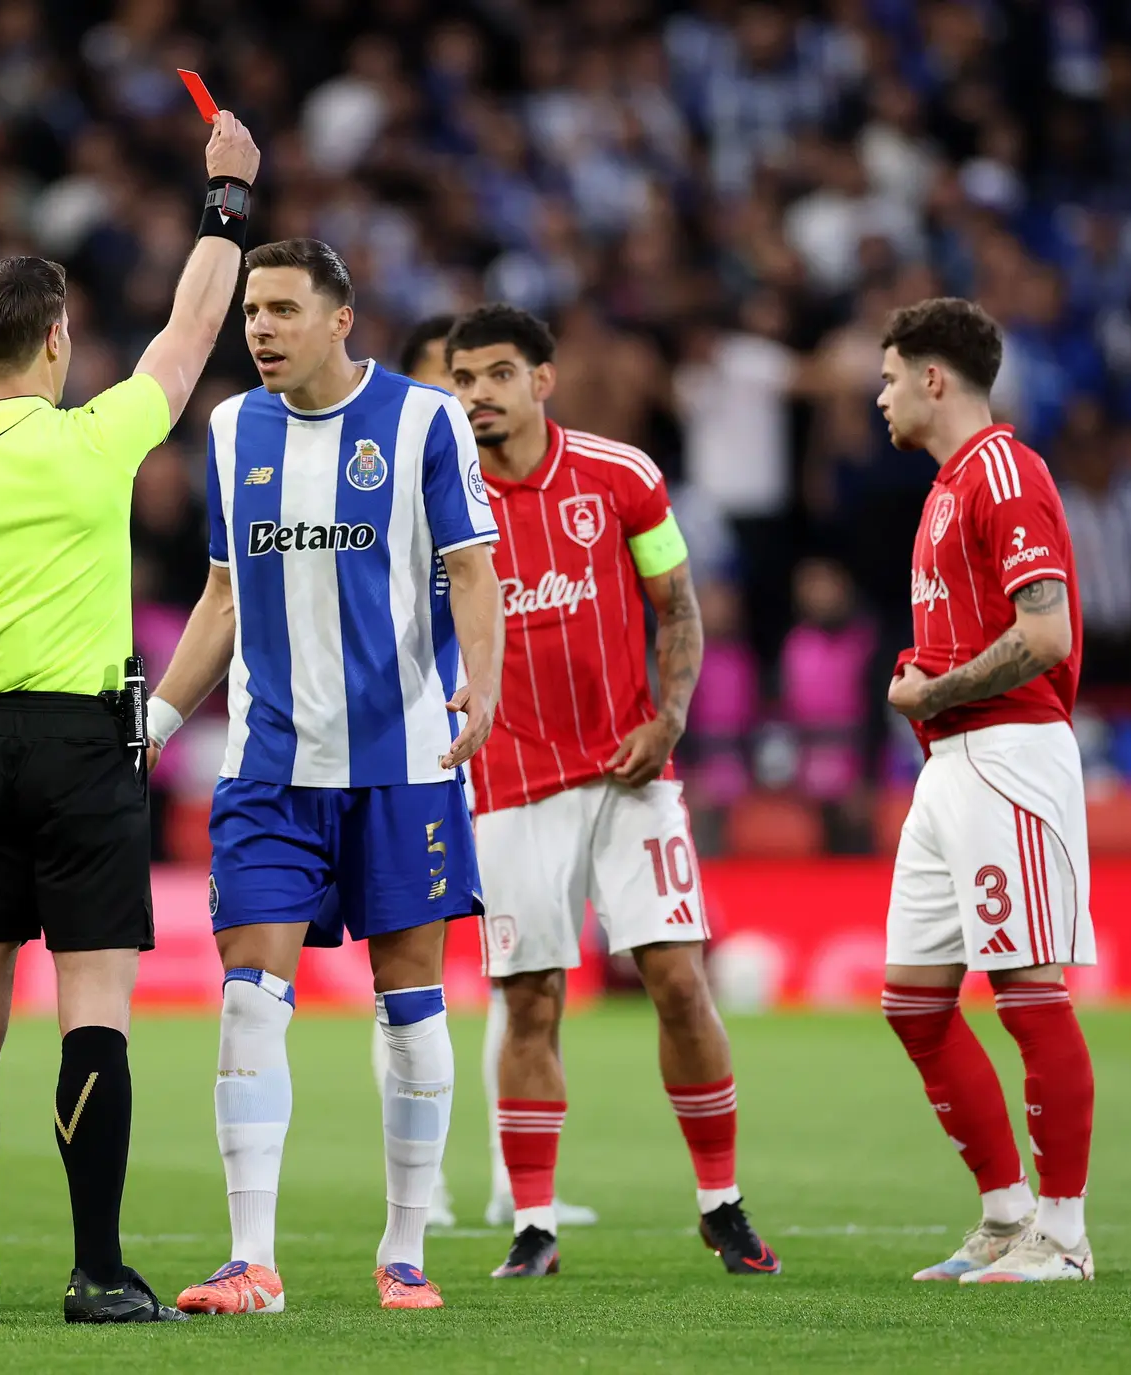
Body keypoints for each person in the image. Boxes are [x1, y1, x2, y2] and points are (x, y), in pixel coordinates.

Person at [0, 110, 263, 1326]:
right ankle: (95, 1270)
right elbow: (191, 333)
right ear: (56, 340)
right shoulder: (97, 441)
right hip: (87, 746)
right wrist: (225, 200)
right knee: (95, 1008)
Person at [149, 239, 504, 1315]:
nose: (259, 328)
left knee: (412, 1008)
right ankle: (250, 1258)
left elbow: (472, 570)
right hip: (269, 766)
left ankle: (404, 1251)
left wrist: (479, 687)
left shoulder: (425, 421)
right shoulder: (228, 429)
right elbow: (220, 596)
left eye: (283, 310)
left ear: (340, 320)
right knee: (250, 1002)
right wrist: (158, 720)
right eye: (252, 310)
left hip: (405, 764)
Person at [443, 303, 778, 1281]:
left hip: (629, 773)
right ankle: (535, 1224)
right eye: (464, 379)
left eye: (498, 374)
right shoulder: (444, 502)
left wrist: (667, 720)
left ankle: (721, 1202)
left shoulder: (621, 476)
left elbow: (679, 608)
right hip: (508, 784)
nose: (479, 396)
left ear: (542, 380)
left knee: (677, 977)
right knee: (532, 998)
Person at [876, 297, 1097, 1283]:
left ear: (933, 378)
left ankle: (1064, 1230)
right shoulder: (944, 490)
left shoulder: (1002, 470)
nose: (878, 396)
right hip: (948, 761)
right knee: (915, 1004)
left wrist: (939, 685)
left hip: (1008, 750)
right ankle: (1007, 1215)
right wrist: (927, 688)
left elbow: (1044, 635)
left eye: (888, 377)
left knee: (1027, 993)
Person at [384, 314, 600, 1237]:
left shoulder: (484, 480)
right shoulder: (394, 481)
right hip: (418, 746)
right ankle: (422, 1190)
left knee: (512, 982)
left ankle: (517, 1187)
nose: (462, 400)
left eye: (473, 380)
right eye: (445, 381)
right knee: (411, 978)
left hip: (499, 757)